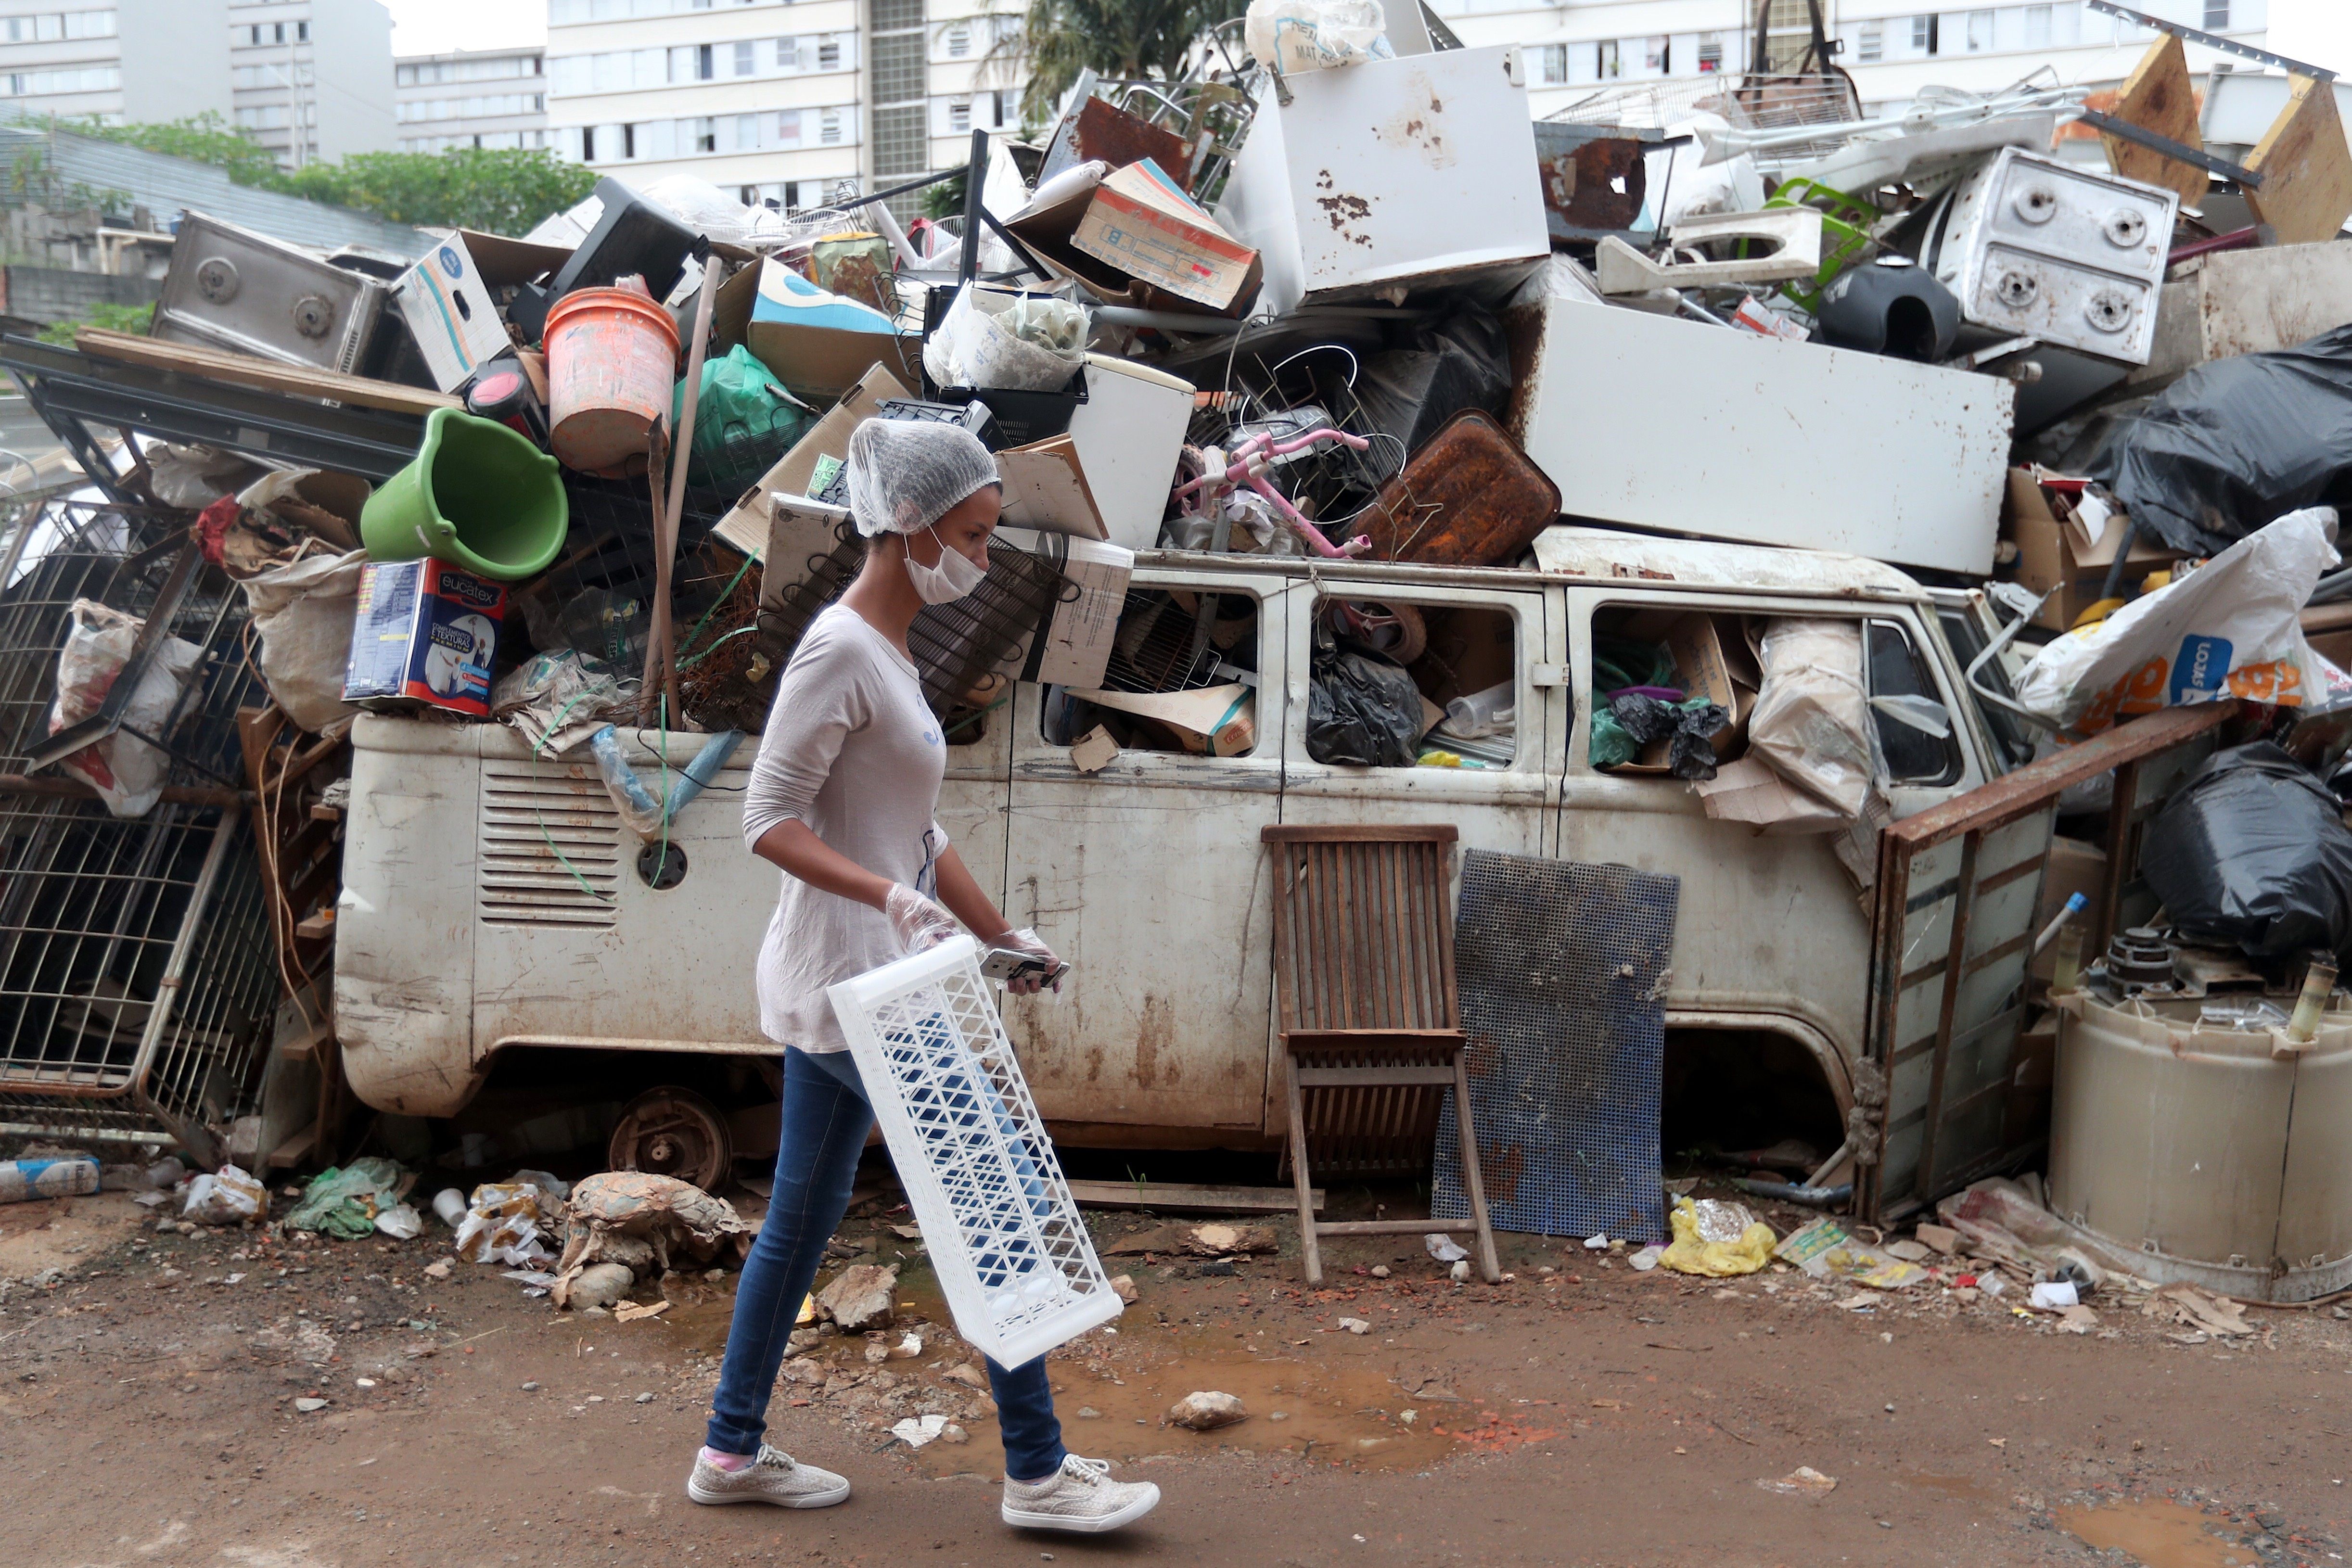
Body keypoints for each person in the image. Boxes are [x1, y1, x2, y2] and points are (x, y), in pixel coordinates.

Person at [689, 417, 1161, 1536]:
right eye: (976, 536)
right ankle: (1038, 1474)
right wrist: (887, 899)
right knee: (992, 1211)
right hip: (867, 988)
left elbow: (917, 827)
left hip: (869, 983)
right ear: (909, 529)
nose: (983, 561)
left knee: (798, 1228)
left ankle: (730, 1446)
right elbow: (765, 818)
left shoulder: (888, 654)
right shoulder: (838, 649)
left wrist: (995, 932)